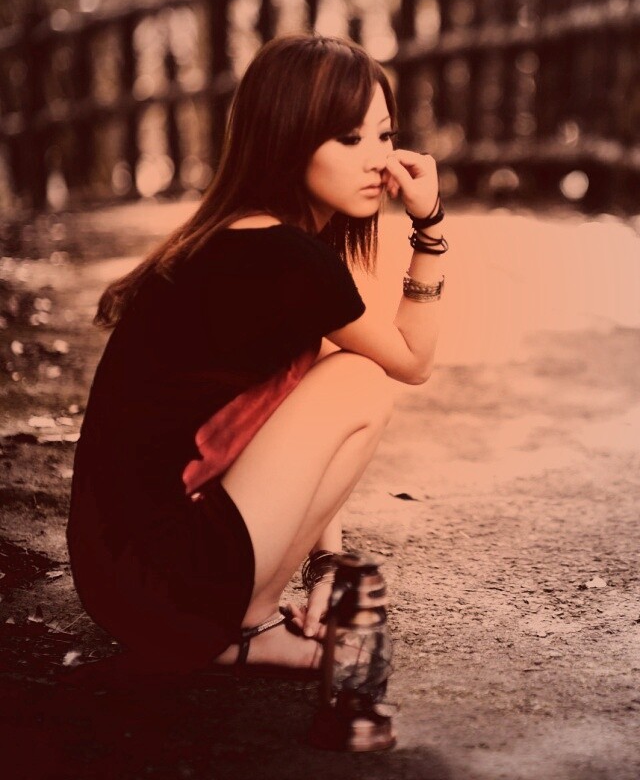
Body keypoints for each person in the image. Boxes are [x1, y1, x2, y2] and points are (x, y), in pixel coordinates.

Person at [66, 34, 448, 680]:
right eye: (348, 138)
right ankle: (249, 624)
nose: (378, 160)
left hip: (127, 583)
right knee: (362, 379)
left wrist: (326, 562)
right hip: (162, 579)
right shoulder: (284, 257)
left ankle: (243, 619)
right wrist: (430, 227)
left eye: (384, 136)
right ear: (287, 138)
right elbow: (412, 360)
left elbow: (295, 426)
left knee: (343, 375)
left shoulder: (242, 237)